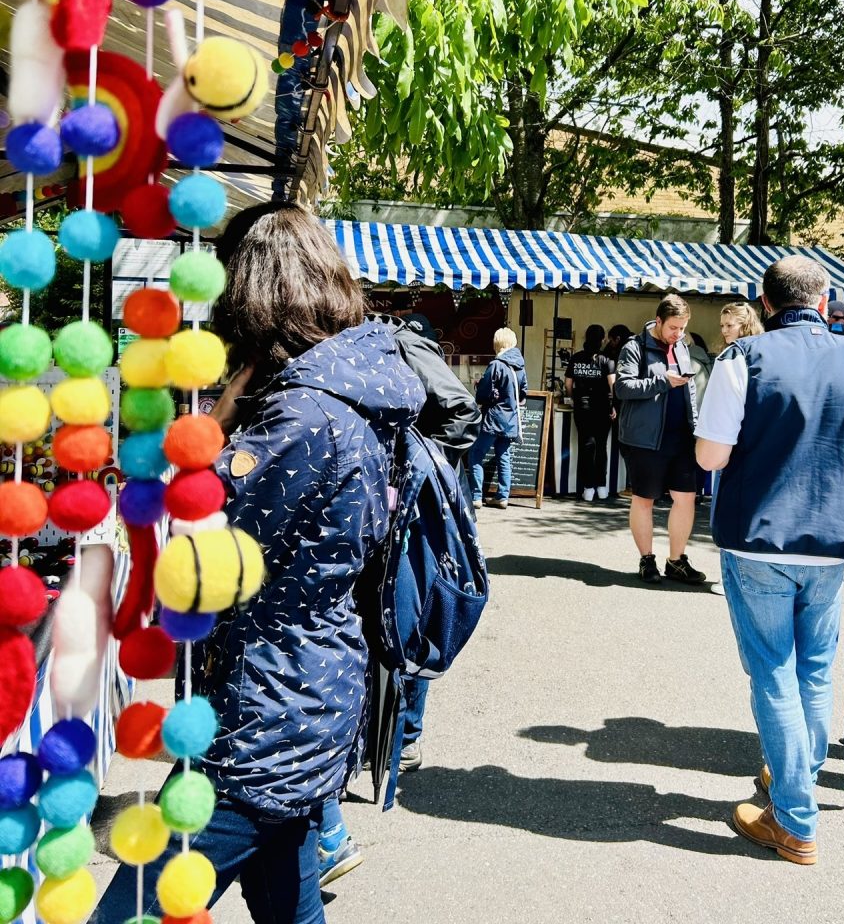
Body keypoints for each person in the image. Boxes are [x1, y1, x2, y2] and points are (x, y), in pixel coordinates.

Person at [96, 203, 426, 923]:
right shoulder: (352, 394)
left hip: (264, 715)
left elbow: (198, 558)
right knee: (290, 902)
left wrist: (215, 421)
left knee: (130, 909)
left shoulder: (300, 418)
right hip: (312, 691)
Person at [694, 255, 844, 866]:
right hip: (833, 544)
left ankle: (795, 819)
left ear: (766, 304)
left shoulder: (741, 358)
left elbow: (711, 457)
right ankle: (787, 781)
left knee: (773, 671)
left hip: (758, 538)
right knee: (813, 672)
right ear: (825, 301)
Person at [314, 311, 483, 884]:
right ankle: (379, 746)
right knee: (379, 626)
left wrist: (412, 464)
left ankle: (404, 740)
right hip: (376, 510)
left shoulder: (401, 341)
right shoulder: (345, 352)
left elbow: (462, 411)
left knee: (405, 620)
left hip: (407, 511)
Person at [614, 296, 712, 583]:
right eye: (673, 328)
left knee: (687, 498)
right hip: (645, 439)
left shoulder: (681, 346)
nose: (678, 334)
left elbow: (690, 390)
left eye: (682, 328)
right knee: (644, 500)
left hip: (681, 436)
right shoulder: (634, 347)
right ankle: (647, 560)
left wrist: (696, 426)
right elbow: (622, 387)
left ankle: (676, 560)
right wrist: (663, 381)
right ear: (658, 321)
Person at [467, 328, 527, 510]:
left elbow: (484, 394)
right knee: (504, 457)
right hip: (510, 418)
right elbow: (523, 393)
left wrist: (480, 388)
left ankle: (476, 496)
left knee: (476, 454)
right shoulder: (520, 366)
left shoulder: (496, 364)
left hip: (493, 418)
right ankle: (502, 497)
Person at [564, 324, 616, 501]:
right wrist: (614, 406)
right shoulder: (607, 359)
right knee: (601, 446)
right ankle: (602, 487)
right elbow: (613, 385)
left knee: (586, 446)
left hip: (582, 408)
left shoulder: (576, 358)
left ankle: (587, 489)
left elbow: (568, 384)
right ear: (602, 340)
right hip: (602, 408)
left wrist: (572, 398)